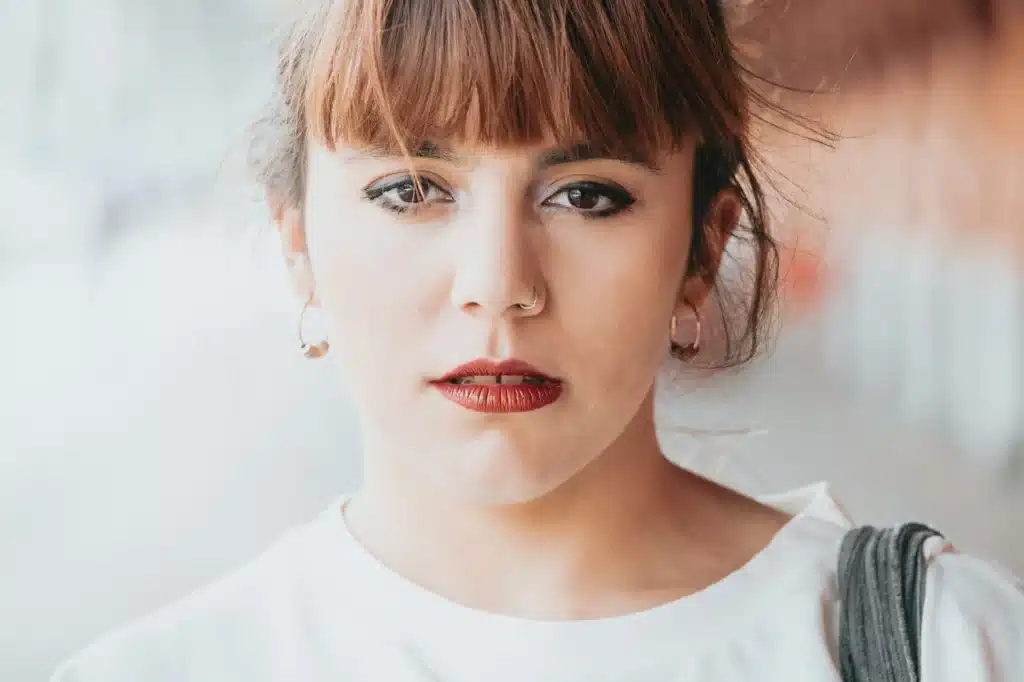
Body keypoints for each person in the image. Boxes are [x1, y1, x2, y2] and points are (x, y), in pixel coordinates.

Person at [51, 0, 1023, 680]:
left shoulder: (941, 645)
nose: (497, 286)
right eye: (410, 189)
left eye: (586, 195)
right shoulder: (159, 669)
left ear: (701, 245)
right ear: (298, 242)